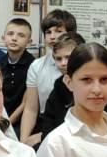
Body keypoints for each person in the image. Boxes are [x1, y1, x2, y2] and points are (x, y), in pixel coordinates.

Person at [18, 10, 76, 148]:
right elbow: (31, 109)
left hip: (68, 126)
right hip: (45, 121)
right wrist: (23, 143)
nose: (52, 36)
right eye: (48, 32)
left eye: (58, 31)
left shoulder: (80, 66)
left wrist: (46, 134)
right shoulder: (37, 66)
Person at [37, 32, 85, 140]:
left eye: (68, 57)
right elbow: (49, 120)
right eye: (58, 59)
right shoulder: (59, 84)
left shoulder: (90, 85)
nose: (63, 63)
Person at [1, 18, 35, 132]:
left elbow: (27, 103)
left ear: (29, 42)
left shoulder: (34, 66)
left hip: (23, 120)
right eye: (10, 34)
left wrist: (7, 123)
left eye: (21, 35)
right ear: (3, 38)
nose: (14, 38)